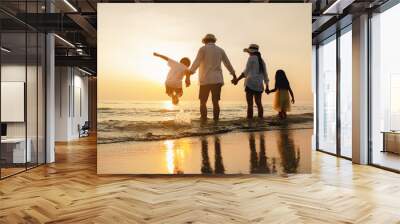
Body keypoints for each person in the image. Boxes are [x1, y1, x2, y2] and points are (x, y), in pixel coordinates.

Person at [188, 34, 237, 122]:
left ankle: (204, 121)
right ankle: (216, 122)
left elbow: (197, 62)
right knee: (215, 102)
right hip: (217, 80)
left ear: (205, 41)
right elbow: (227, 63)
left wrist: (189, 73)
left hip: (205, 80)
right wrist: (234, 75)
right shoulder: (220, 50)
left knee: (203, 102)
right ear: (214, 40)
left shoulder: (203, 49)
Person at [233, 44, 269, 119]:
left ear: (251, 52)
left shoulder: (251, 58)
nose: (248, 53)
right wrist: (267, 86)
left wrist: (237, 80)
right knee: (259, 103)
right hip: (259, 85)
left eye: (249, 52)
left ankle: (249, 121)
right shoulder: (262, 61)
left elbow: (246, 72)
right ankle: (260, 120)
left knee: (250, 104)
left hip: (250, 84)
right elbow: (265, 74)